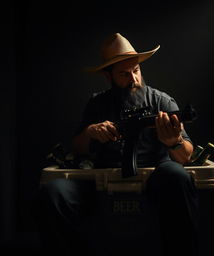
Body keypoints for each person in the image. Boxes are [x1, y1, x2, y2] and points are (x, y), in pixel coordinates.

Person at [33, 33, 199, 256]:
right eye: (124, 73)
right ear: (108, 76)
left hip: (153, 179)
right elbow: (78, 148)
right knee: (54, 192)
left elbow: (186, 156)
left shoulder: (162, 101)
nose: (134, 79)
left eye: (136, 70)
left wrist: (174, 141)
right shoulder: (97, 103)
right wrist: (91, 132)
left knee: (177, 176)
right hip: (101, 182)